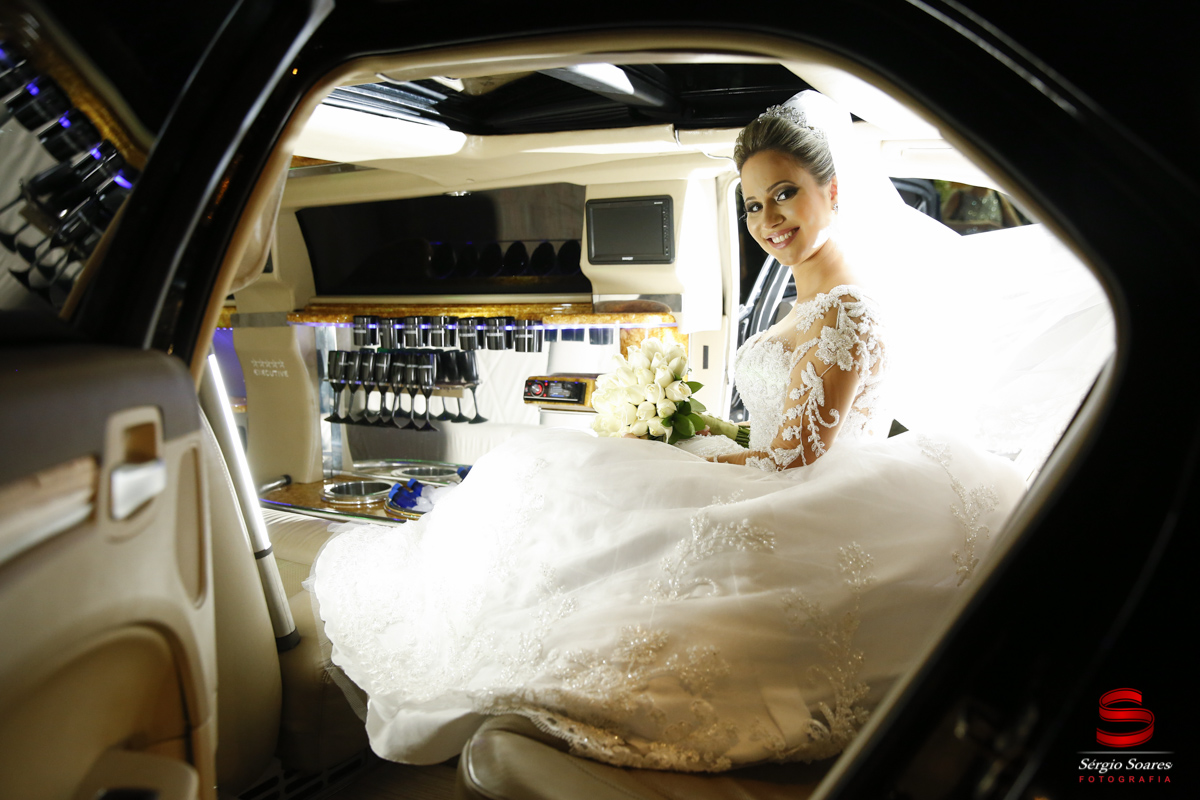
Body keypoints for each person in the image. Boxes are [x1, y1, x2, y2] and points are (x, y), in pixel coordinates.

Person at [308, 91, 1027, 773]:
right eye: (752, 204)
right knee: (544, 476)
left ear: (832, 193)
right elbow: (785, 432)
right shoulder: (809, 298)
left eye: (785, 193)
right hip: (782, 467)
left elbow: (796, 457)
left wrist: (681, 446)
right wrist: (698, 434)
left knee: (554, 479)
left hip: (807, 487)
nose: (768, 218)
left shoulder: (847, 314)